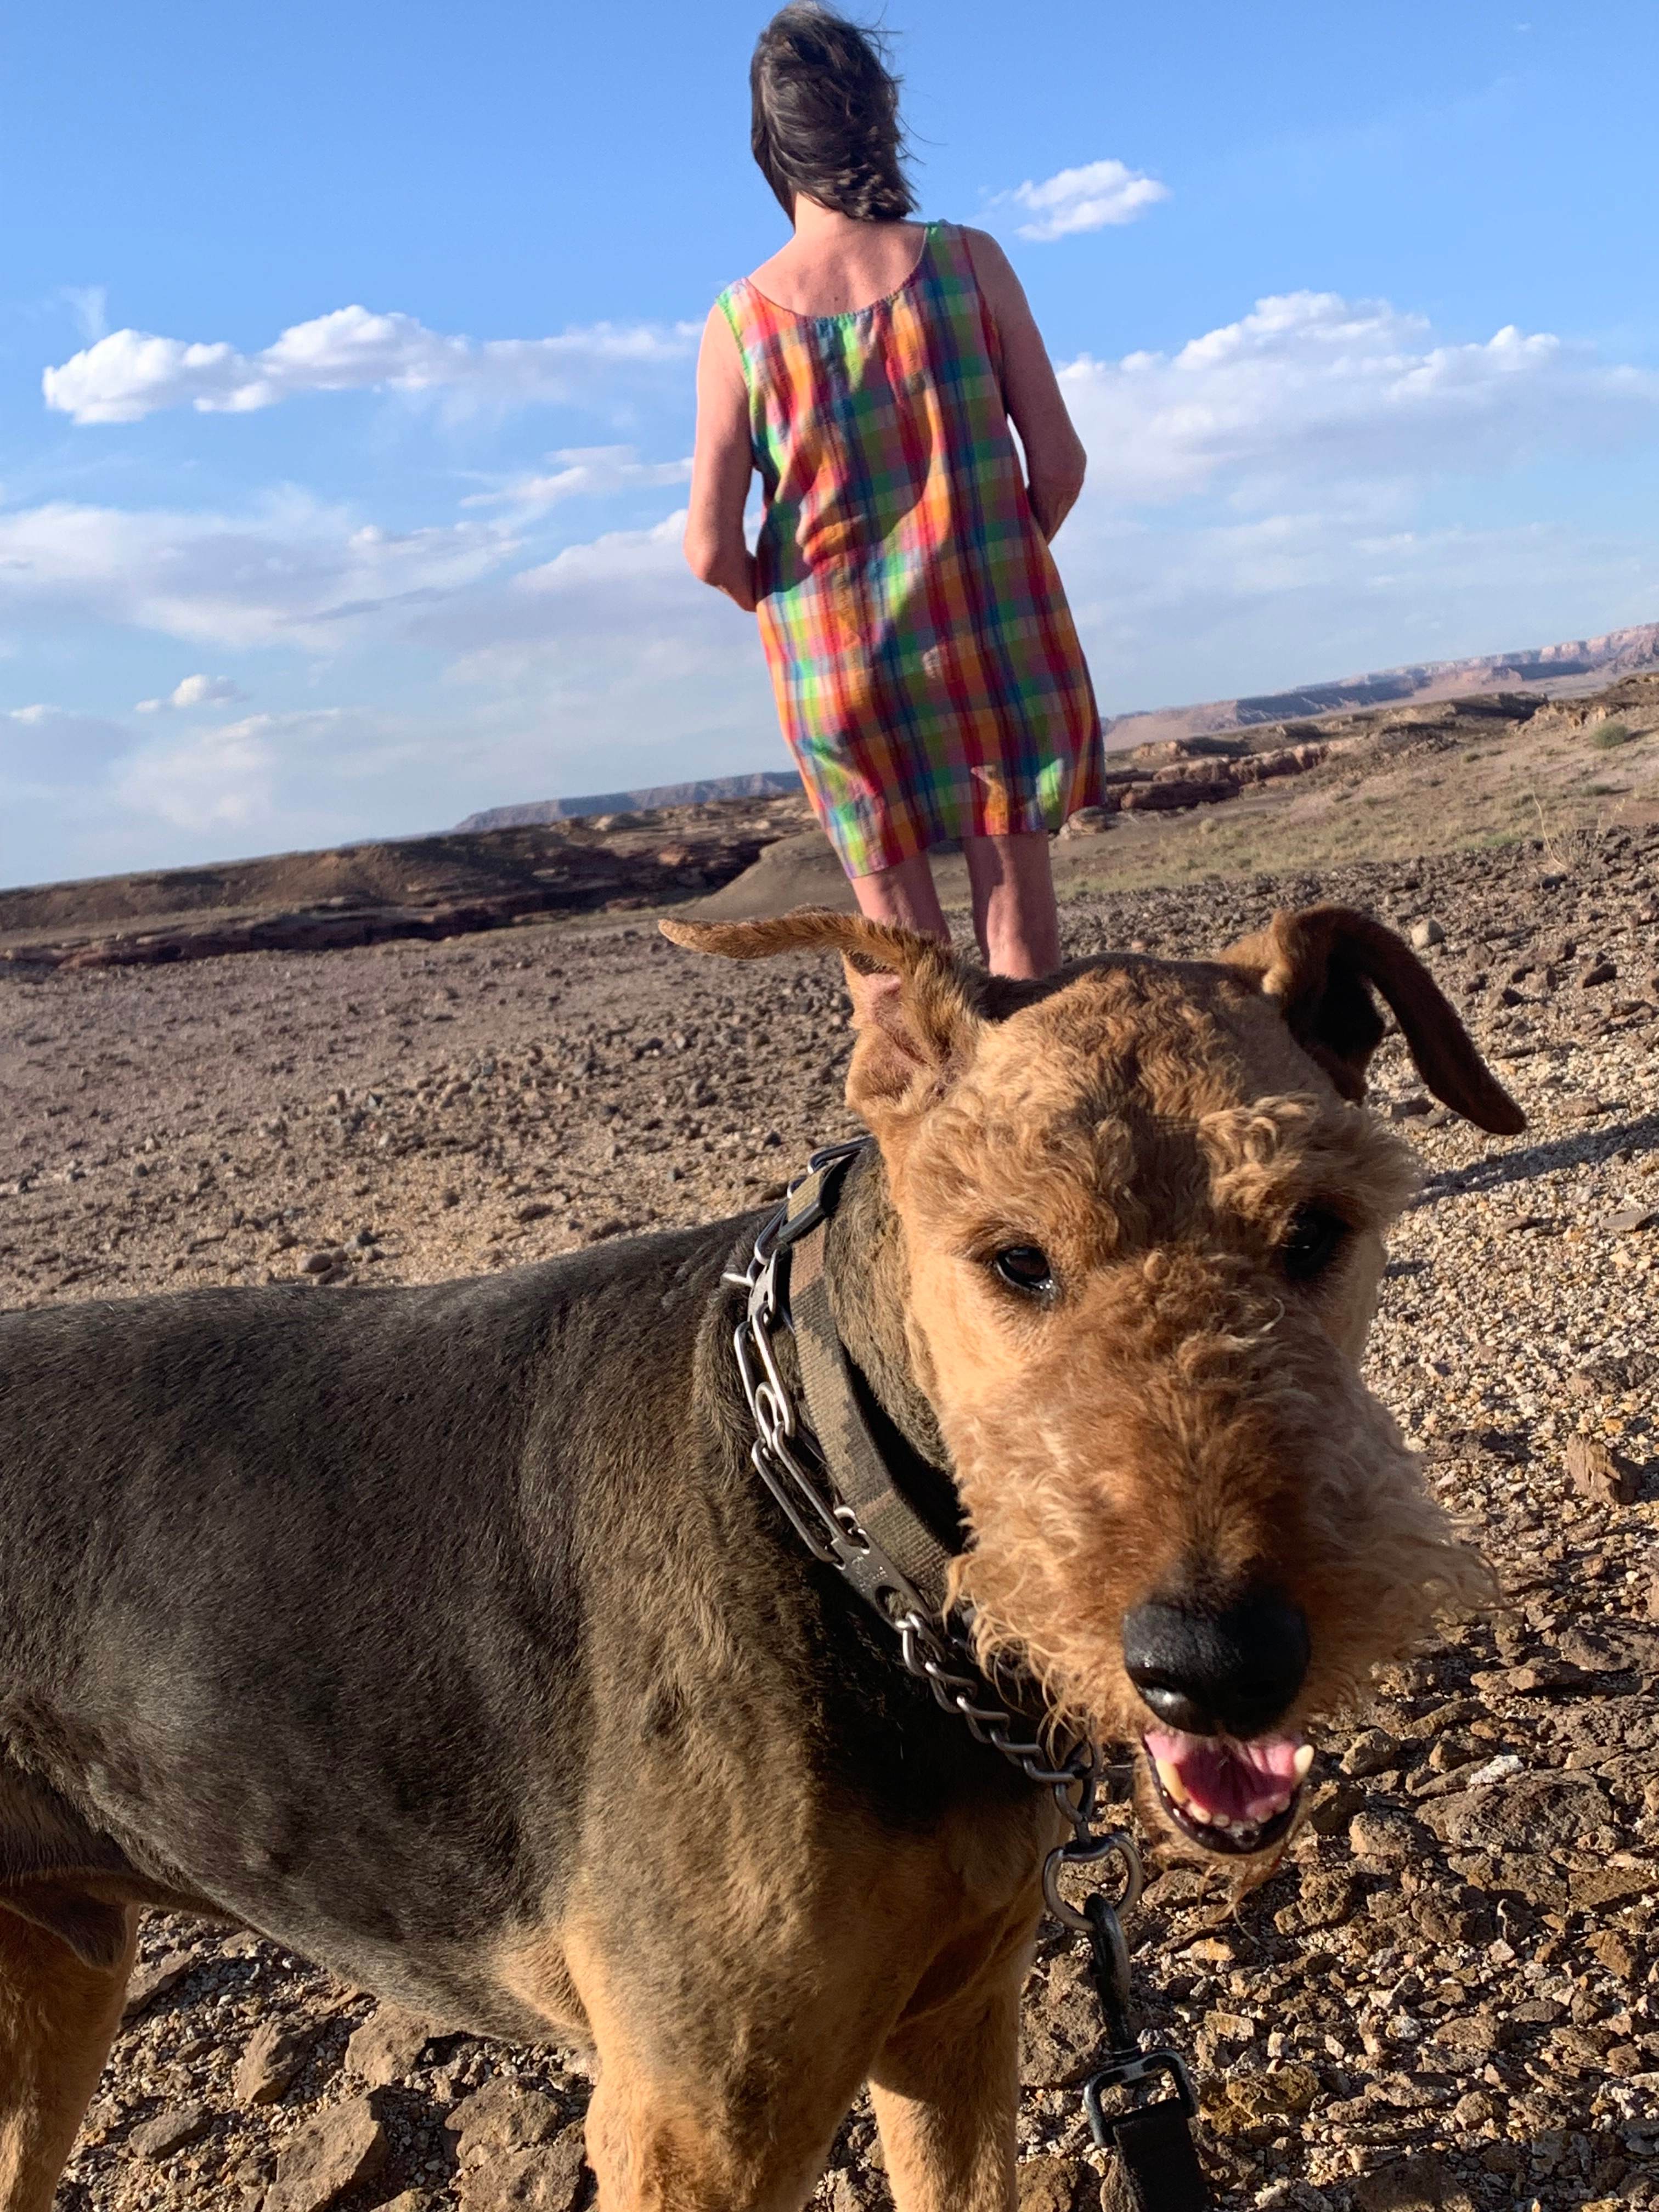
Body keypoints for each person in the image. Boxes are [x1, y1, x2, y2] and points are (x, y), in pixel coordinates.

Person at [684, 4, 1105, 980]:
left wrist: (789, 604)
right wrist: (988, 551)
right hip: (992, 632)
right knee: (1017, 935)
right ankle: (1027, 1130)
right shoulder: (969, 263)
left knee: (904, 967)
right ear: (877, 122)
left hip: (840, 670)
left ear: (770, 147)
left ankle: (926, 1138)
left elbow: (708, 547)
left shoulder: (739, 324)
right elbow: (1063, 463)